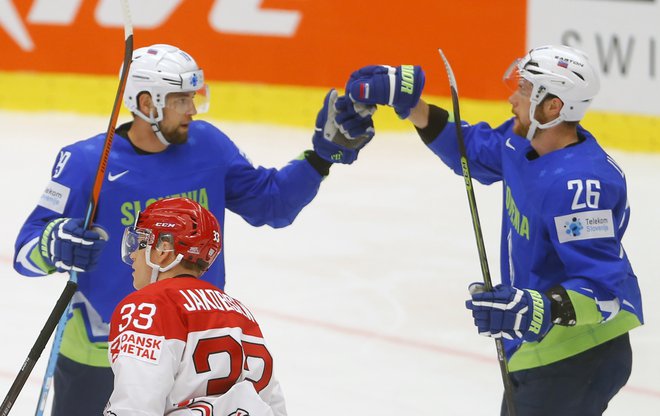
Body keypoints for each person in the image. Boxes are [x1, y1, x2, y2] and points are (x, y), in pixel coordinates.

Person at [13, 43, 375, 416]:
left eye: (192, 97)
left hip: (188, 350)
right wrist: (54, 243)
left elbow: (272, 204)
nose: (192, 110)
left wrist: (320, 158)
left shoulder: (209, 146)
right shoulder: (86, 161)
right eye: (180, 100)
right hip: (99, 349)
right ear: (147, 103)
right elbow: (25, 250)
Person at [345, 46, 644, 415]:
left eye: (525, 90)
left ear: (553, 107)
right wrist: (413, 107)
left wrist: (536, 308)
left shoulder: (580, 186)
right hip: (540, 347)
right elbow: (474, 150)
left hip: (579, 353)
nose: (511, 98)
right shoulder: (525, 141)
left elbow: (603, 289)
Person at [104, 197, 284, 415]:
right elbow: (273, 404)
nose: (134, 254)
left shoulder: (147, 306)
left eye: (142, 242)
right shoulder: (239, 312)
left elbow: (135, 405)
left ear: (163, 248)